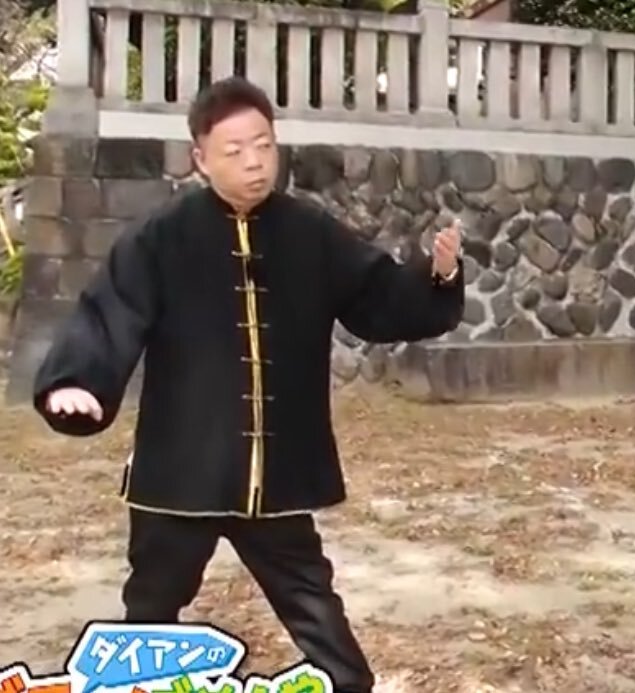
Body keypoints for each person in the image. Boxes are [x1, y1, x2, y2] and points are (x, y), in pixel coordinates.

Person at [32, 76, 465, 693]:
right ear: (200, 159)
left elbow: (379, 298)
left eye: (264, 145)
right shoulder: (160, 238)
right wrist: (75, 382)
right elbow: (109, 313)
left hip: (277, 472)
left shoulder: (310, 232)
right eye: (234, 151)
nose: (254, 162)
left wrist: (437, 276)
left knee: (315, 607)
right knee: (150, 611)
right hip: (182, 473)